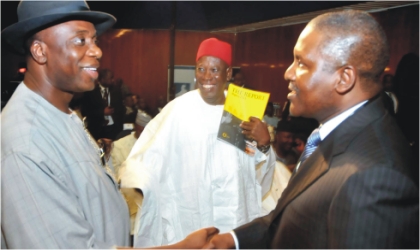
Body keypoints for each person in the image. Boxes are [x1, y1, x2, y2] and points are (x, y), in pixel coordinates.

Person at [201, 10, 419, 249]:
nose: (288, 73)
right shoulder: (332, 133)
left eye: (301, 62)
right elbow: (287, 218)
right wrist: (232, 240)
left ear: (344, 79)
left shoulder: (375, 178)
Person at [119, 37, 275, 247]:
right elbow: (145, 157)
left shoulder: (244, 110)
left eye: (214, 70)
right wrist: (139, 180)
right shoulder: (178, 110)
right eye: (201, 69)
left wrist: (265, 144)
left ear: (228, 73)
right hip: (190, 216)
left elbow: (259, 176)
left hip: (234, 213)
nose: (206, 77)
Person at [0, 1, 131, 248]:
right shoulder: (25, 145)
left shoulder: (61, 113)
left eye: (95, 40)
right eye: (80, 41)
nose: (97, 51)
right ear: (40, 52)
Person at [81, 68, 125, 140]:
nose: (113, 80)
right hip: (97, 128)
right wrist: (102, 112)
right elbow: (85, 111)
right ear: (102, 79)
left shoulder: (116, 90)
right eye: (110, 78)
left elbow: (121, 109)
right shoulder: (90, 91)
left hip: (114, 128)